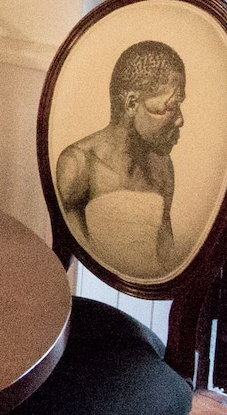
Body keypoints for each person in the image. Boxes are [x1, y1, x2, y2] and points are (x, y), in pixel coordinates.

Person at [55, 41, 187, 279]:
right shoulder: (78, 165)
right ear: (132, 104)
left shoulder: (162, 166)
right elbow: (70, 256)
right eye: (171, 106)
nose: (180, 120)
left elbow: (166, 253)